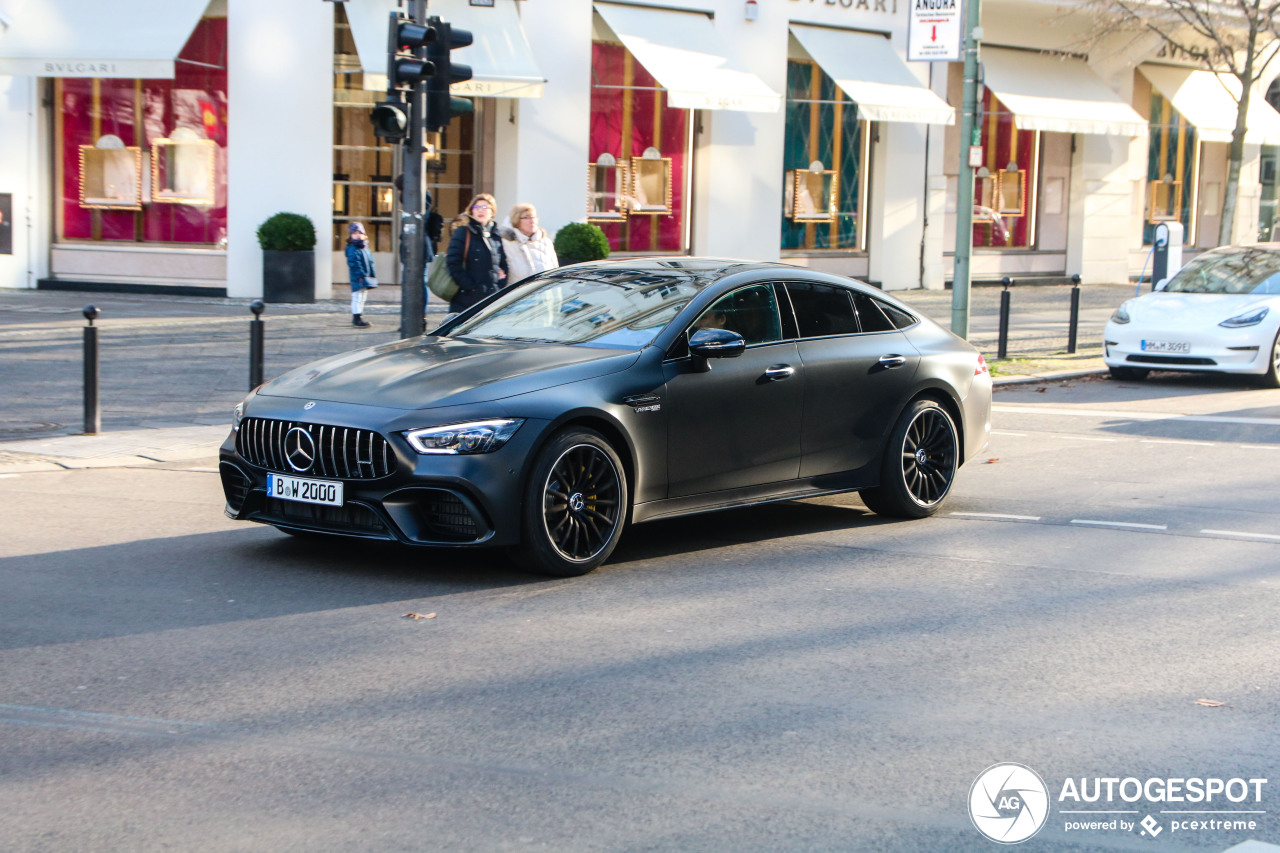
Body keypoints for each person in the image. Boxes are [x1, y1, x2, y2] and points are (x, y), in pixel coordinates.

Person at [446, 193, 508, 313]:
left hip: (491, 299)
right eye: (476, 207)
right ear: (471, 211)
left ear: (492, 212)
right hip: (466, 301)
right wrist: (472, 287)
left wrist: (500, 284)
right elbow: (453, 263)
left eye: (485, 207)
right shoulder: (463, 232)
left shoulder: (495, 235)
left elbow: (503, 264)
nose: (480, 210)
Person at [500, 203, 558, 284]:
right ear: (516, 221)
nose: (532, 221)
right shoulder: (506, 244)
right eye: (526, 217)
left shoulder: (546, 243)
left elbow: (555, 271)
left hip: (545, 294)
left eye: (534, 217)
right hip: (519, 295)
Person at [344, 221, 377, 328]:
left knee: (363, 296)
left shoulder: (364, 247)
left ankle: (359, 315)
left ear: (363, 234)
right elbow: (354, 264)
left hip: (365, 277)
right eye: (354, 233)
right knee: (357, 297)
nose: (357, 235)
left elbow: (370, 262)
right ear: (351, 235)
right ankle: (356, 318)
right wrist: (361, 275)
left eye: (359, 232)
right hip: (358, 277)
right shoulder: (353, 248)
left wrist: (371, 274)